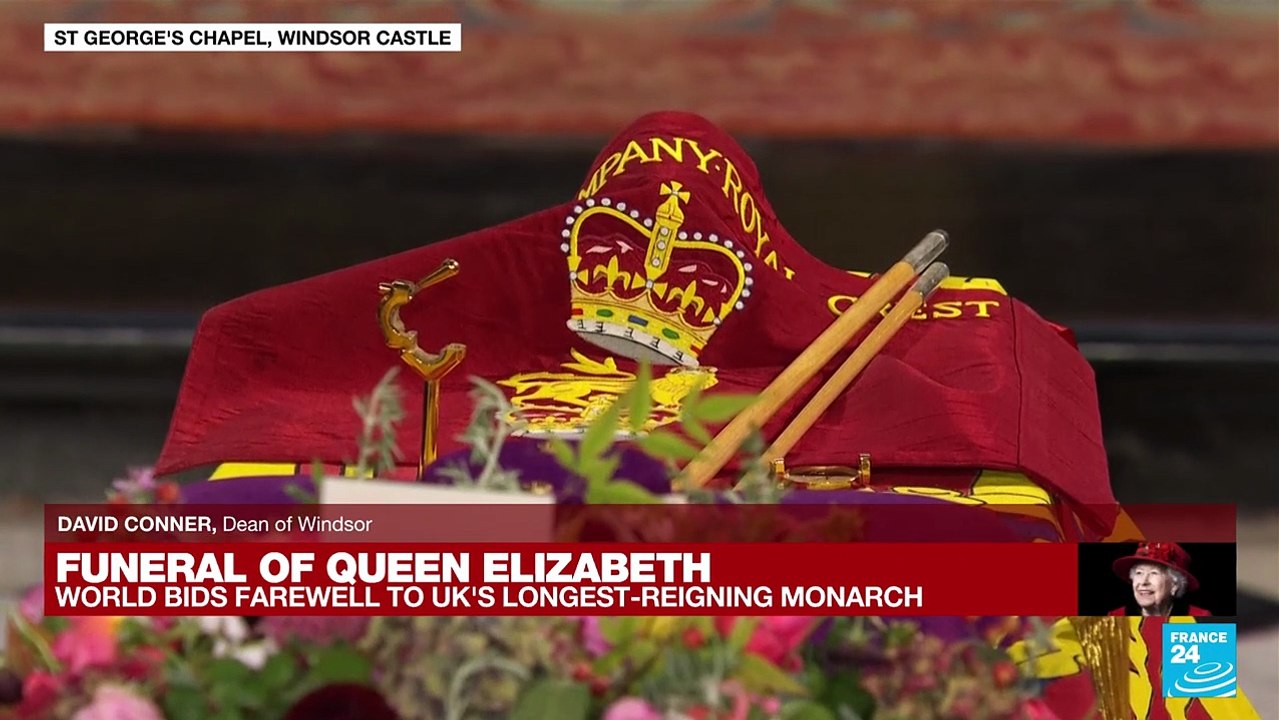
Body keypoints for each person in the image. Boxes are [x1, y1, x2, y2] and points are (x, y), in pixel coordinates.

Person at [1109, 541, 1211, 617]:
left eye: (1154, 573)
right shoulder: (1115, 617)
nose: (1143, 582)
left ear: (1174, 585)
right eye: (1139, 573)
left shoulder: (1199, 619)